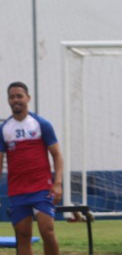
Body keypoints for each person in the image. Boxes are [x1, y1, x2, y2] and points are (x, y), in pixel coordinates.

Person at [0, 81, 63, 255]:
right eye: (12, 97)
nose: (16, 100)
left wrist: (57, 183)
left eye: (19, 96)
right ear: (8, 101)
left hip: (41, 188)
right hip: (17, 191)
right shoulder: (4, 129)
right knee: (23, 236)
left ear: (28, 98)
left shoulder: (41, 124)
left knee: (47, 231)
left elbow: (57, 155)